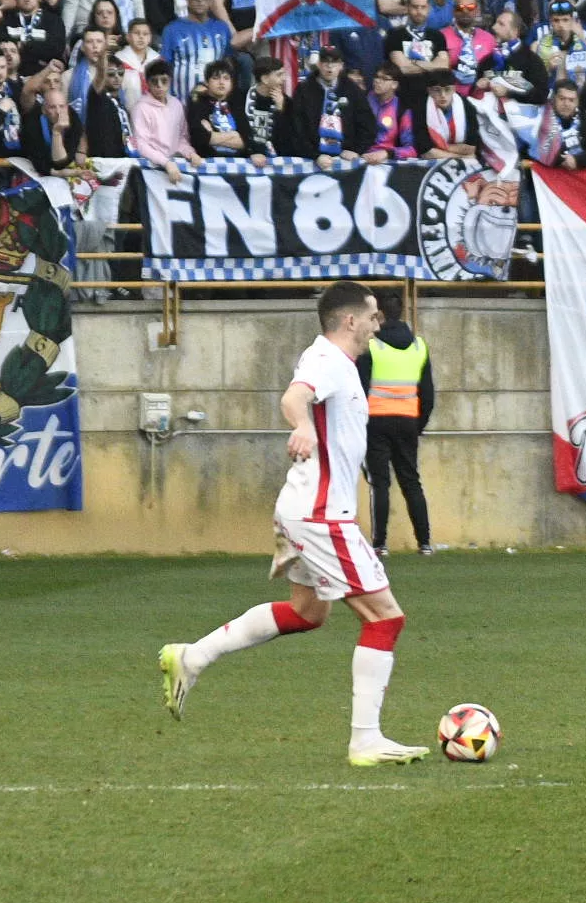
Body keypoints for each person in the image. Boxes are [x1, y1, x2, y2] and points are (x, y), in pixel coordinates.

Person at [160, 280, 431, 765]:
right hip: (320, 515)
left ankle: (192, 656)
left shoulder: (339, 363)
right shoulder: (327, 360)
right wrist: (302, 425)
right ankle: (365, 740)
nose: (378, 323)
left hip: (306, 509)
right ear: (350, 321)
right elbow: (294, 398)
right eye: (372, 316)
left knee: (308, 613)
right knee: (386, 617)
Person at [359, 313, 436, 558]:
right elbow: (428, 394)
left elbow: (360, 388)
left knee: (380, 483)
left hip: (376, 421)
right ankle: (424, 543)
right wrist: (418, 425)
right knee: (411, 481)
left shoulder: (372, 345)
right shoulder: (419, 346)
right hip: (407, 422)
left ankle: (380, 544)